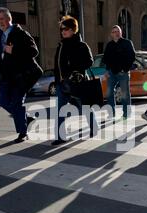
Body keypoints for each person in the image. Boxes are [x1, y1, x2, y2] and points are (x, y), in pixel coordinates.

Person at [0, 7, 42, 143]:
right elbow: (3, 57)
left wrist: (14, 50)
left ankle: (23, 132)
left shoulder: (21, 33)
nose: (0, 22)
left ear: (9, 19)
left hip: (20, 76)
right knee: (4, 102)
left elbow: (34, 51)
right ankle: (25, 117)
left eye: (2, 19)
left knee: (17, 103)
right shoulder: (1, 37)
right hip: (6, 77)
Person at [52, 16, 97, 146]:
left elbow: (89, 61)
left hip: (77, 83)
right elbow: (57, 66)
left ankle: (93, 128)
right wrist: (57, 81)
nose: (63, 31)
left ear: (73, 30)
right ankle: (60, 137)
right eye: (61, 29)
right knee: (60, 110)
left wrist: (75, 69)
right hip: (62, 84)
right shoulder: (60, 45)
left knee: (85, 107)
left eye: (65, 29)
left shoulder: (82, 45)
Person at [102, 25, 136, 120]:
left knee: (125, 93)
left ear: (121, 33)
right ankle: (111, 113)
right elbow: (105, 59)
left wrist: (125, 69)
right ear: (111, 34)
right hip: (111, 72)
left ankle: (126, 113)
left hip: (123, 73)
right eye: (113, 32)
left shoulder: (127, 43)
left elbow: (132, 57)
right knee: (109, 93)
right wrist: (107, 70)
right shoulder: (109, 45)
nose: (115, 33)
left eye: (117, 31)